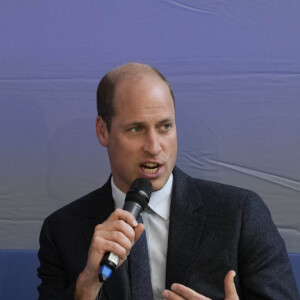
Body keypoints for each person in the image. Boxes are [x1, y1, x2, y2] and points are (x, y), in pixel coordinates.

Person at [37, 63, 299, 300]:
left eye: (165, 127)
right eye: (136, 129)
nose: (154, 147)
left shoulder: (240, 214)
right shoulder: (62, 230)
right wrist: (86, 286)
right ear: (103, 131)